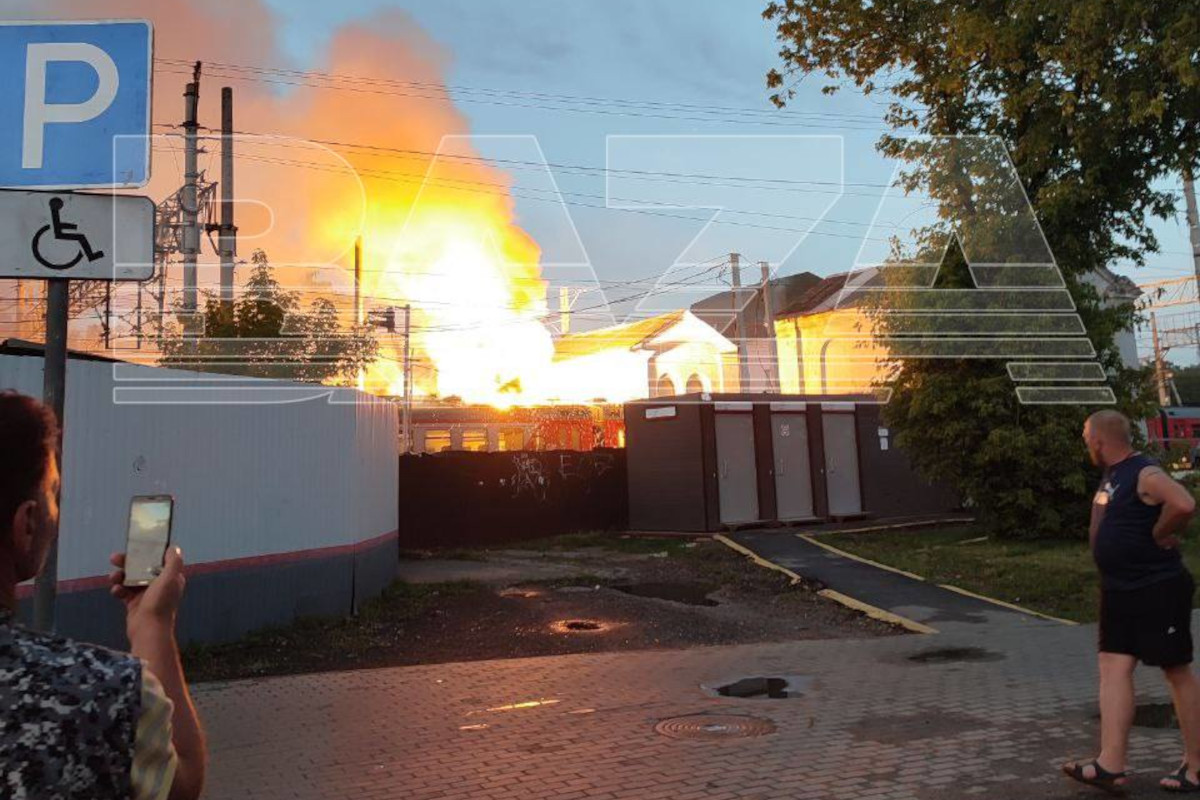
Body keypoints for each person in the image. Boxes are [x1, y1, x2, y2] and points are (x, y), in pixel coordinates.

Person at [0, 391, 207, 799]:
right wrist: (153, 625)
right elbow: (182, 780)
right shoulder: (102, 694)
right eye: (52, 493)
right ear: (27, 523)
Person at [1064, 410, 1200, 794]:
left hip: (1156, 587)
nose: (1085, 441)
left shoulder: (1143, 472)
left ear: (1100, 439)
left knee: (1176, 670)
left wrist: (1159, 532)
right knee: (1112, 666)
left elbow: (1184, 503)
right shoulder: (1113, 474)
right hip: (1120, 588)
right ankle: (1110, 764)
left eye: (1086, 435)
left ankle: (1197, 766)